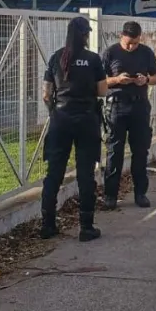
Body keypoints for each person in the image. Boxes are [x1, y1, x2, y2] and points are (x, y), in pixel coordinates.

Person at [40, 16, 108, 242]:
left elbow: (46, 94)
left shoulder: (56, 57)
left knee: (54, 173)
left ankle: (48, 224)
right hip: (87, 119)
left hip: (61, 119)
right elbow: (102, 91)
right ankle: (86, 227)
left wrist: (55, 110)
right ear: (85, 35)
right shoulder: (93, 59)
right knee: (85, 174)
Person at [102, 21, 156, 210]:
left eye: (135, 43)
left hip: (139, 106)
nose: (131, 47)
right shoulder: (110, 53)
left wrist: (146, 79)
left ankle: (140, 193)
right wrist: (117, 79)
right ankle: (110, 195)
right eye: (128, 43)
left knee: (140, 151)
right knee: (114, 151)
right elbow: (100, 82)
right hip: (117, 107)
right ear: (121, 36)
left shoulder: (146, 52)